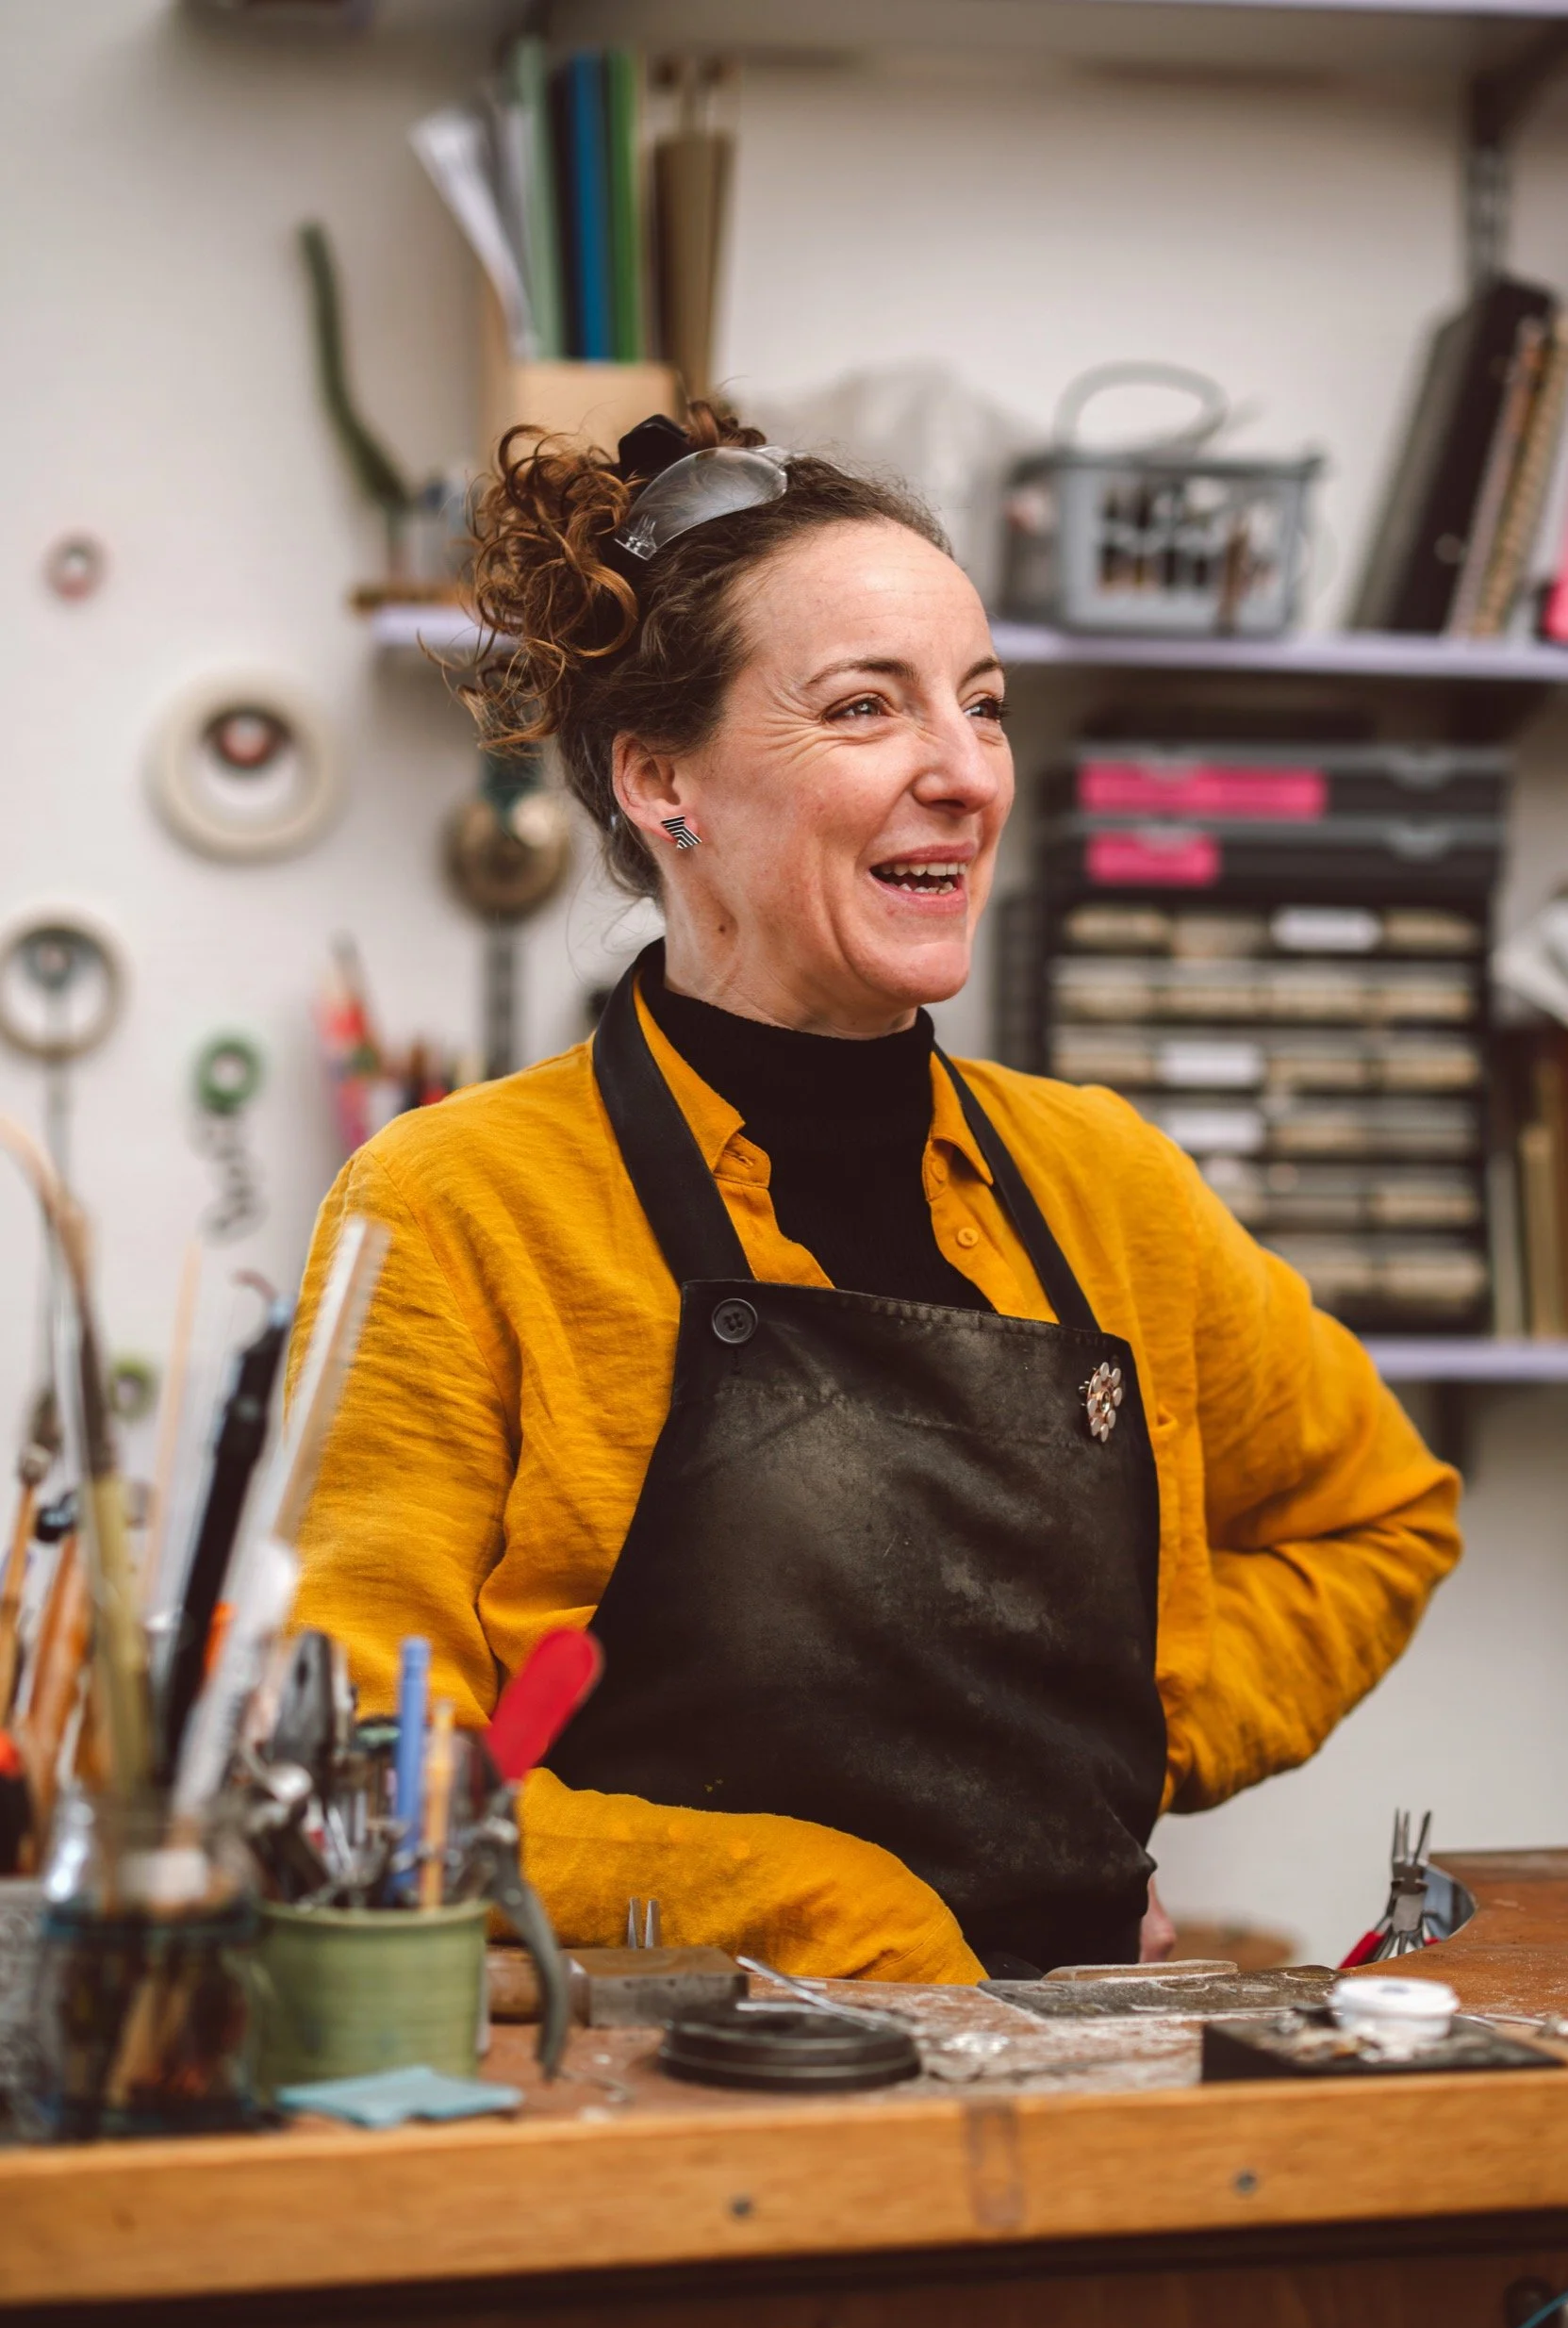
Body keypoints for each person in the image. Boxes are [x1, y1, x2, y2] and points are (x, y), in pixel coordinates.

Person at [290, 405, 1461, 1983]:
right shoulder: (455, 1206)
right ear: (661, 783)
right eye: (865, 709)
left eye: (980, 707)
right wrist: (831, 1912)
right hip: (655, 2099)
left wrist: (1107, 1747)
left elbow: (1374, 1511)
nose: (965, 775)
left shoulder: (1101, 1180)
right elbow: (370, 1773)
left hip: (1059, 2064)